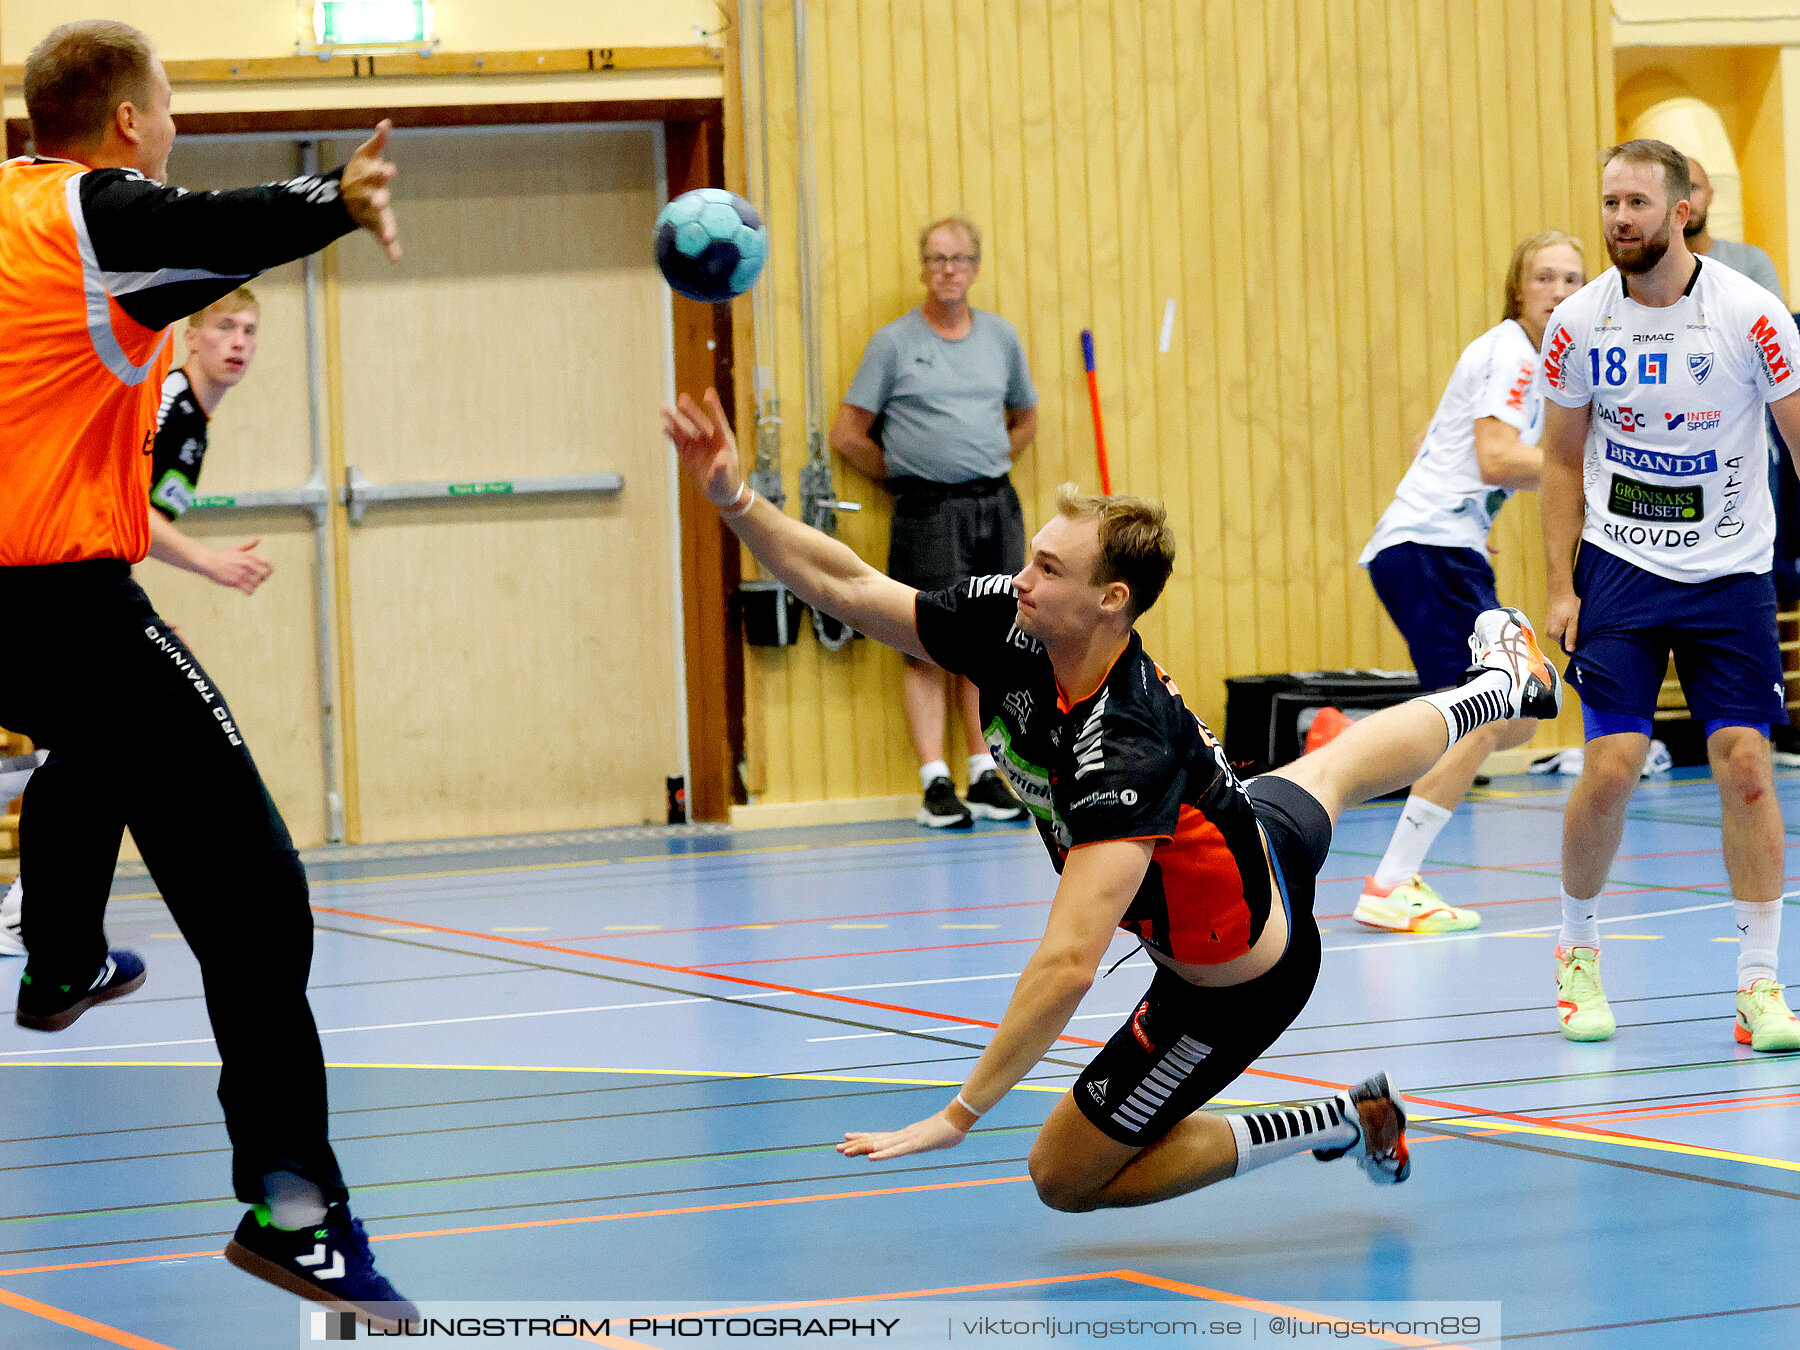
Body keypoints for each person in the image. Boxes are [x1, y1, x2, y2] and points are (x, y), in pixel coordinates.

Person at [664, 385, 1562, 1212]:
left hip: (1232, 977)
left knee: (1065, 1177)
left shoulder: (1122, 748)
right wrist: (735, 501)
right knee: (1332, 771)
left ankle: (1336, 1121)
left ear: (1110, 600)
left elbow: (1067, 964)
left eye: (1049, 569)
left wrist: (960, 1113)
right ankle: (1504, 682)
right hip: (1240, 829)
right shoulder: (1014, 622)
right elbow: (850, 587)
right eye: (1032, 560)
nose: (1024, 578)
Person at [0, 19, 413, 1325]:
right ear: (127, 119)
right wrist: (333, 200)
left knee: (101, 751)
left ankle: (62, 956)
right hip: (54, 598)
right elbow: (199, 223)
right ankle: (294, 1210)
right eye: (168, 103)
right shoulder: (87, 215)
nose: (173, 123)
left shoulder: (10, 211)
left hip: (30, 607)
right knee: (255, 889)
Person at [1539, 138, 1800, 1053]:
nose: (1619, 220)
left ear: (1683, 210)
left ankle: (1759, 984)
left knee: (1747, 769)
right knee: (1611, 765)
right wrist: (1560, 585)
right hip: (1620, 564)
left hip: (1730, 572)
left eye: (1637, 204)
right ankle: (1576, 956)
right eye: (1609, 202)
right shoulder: (1576, 324)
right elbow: (1562, 460)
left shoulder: (1753, 317)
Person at [1, 288, 272, 959]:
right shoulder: (171, 405)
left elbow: (120, 534)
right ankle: (37, 913)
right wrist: (210, 563)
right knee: (104, 742)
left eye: (249, 331)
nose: (237, 342)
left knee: (99, 747)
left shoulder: (196, 426)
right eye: (224, 327)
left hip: (87, 596)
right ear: (191, 337)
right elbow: (129, 519)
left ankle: (37, 915)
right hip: (42, 588)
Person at [1353, 233, 1586, 933]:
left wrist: (1467, 510)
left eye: (1575, 279)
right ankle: (1391, 881)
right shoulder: (1512, 352)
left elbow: (1435, 436)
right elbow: (1492, 455)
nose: (1561, 291)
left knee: (1513, 716)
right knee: (1487, 712)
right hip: (1430, 549)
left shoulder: (1527, 364)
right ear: (1520, 290)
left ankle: (1349, 742)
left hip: (1436, 545)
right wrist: (1586, 469)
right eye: (1546, 278)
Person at [831, 216, 1038, 829]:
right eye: (938, 258)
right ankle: (935, 783)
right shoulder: (893, 343)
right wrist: (907, 475)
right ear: (923, 268)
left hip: (994, 505)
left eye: (961, 258)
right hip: (925, 511)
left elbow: (1025, 417)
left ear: (976, 268)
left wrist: (986, 461)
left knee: (988, 641)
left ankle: (982, 772)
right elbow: (848, 434)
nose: (949, 268)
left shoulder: (1000, 338)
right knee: (925, 643)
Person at [1684, 156, 1784, 302]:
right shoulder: (1652, 267)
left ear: (1710, 195)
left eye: (1693, 188)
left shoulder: (1751, 260)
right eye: (1677, 190)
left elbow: (1776, 321)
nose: (1686, 199)